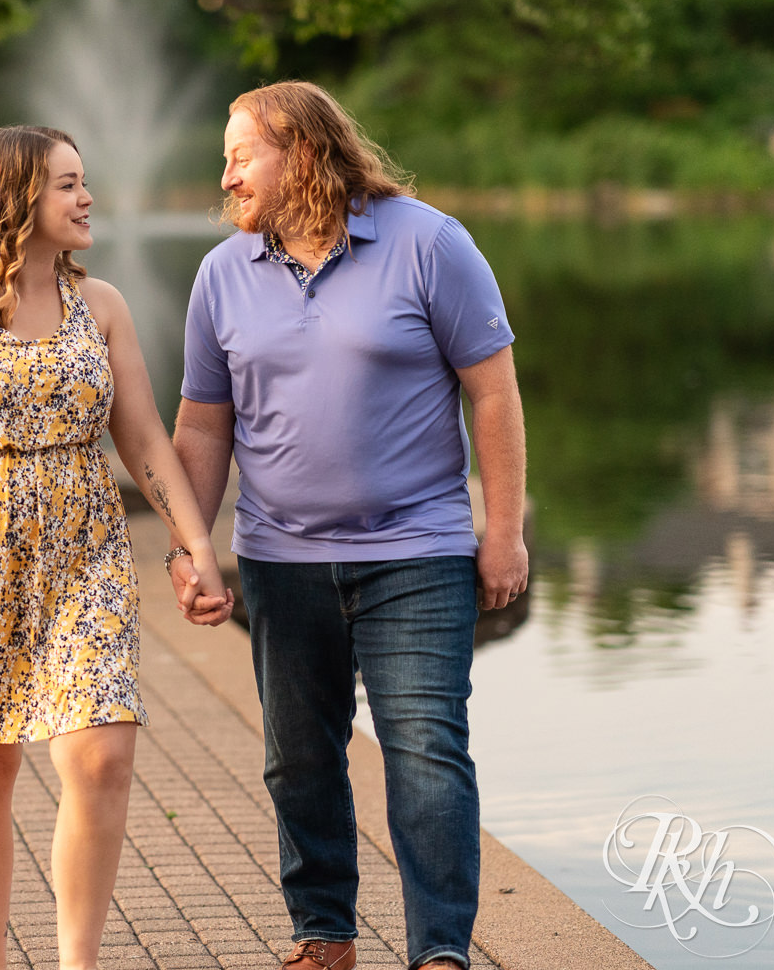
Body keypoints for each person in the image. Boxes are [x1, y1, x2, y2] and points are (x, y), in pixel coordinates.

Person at [166, 82, 528, 970]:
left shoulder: (429, 243)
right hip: (281, 558)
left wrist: (504, 531)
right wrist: (191, 545)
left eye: (241, 155)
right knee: (298, 760)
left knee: (426, 755)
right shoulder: (222, 273)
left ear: (300, 149)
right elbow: (204, 424)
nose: (226, 175)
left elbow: (495, 394)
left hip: (419, 550)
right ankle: (324, 937)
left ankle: (440, 951)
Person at [0, 125, 234, 970]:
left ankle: (79, 963)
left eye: (83, 180)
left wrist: (196, 547)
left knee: (103, 753)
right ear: (16, 199)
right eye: (68, 184)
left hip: (84, 550)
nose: (86, 197)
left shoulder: (100, 304)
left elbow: (143, 436)